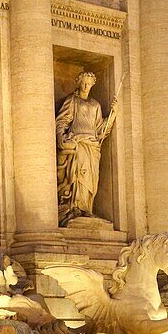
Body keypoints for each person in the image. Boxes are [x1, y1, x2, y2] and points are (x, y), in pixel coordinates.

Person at [55, 69, 116, 224]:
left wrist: (113, 114)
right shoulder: (72, 101)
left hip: (92, 146)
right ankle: (75, 207)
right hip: (78, 142)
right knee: (78, 175)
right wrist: (61, 137)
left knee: (91, 177)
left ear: (92, 85)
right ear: (79, 83)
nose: (85, 86)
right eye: (83, 83)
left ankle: (87, 208)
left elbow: (101, 129)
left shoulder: (95, 105)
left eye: (88, 84)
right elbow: (62, 121)